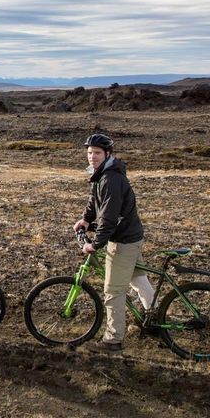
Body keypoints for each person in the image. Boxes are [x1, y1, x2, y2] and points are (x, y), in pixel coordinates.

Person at [73, 133, 155, 352]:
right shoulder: (103, 174)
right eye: (89, 152)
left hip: (122, 241)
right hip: (130, 235)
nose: (92, 157)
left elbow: (109, 218)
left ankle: (113, 340)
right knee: (138, 280)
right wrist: (86, 219)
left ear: (107, 154)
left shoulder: (111, 179)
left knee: (113, 290)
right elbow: (95, 201)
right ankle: (153, 319)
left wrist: (95, 244)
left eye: (97, 153)